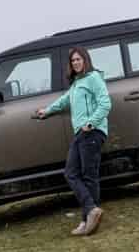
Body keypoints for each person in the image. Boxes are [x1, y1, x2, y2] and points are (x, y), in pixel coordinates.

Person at [36, 46, 112, 236]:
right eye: (73, 60)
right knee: (71, 173)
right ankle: (89, 214)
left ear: (85, 60)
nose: (76, 62)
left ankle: (88, 219)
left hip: (91, 132)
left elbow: (105, 103)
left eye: (79, 59)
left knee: (88, 176)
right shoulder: (77, 83)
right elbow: (64, 100)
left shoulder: (93, 78)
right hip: (82, 133)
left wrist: (91, 123)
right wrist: (47, 110)